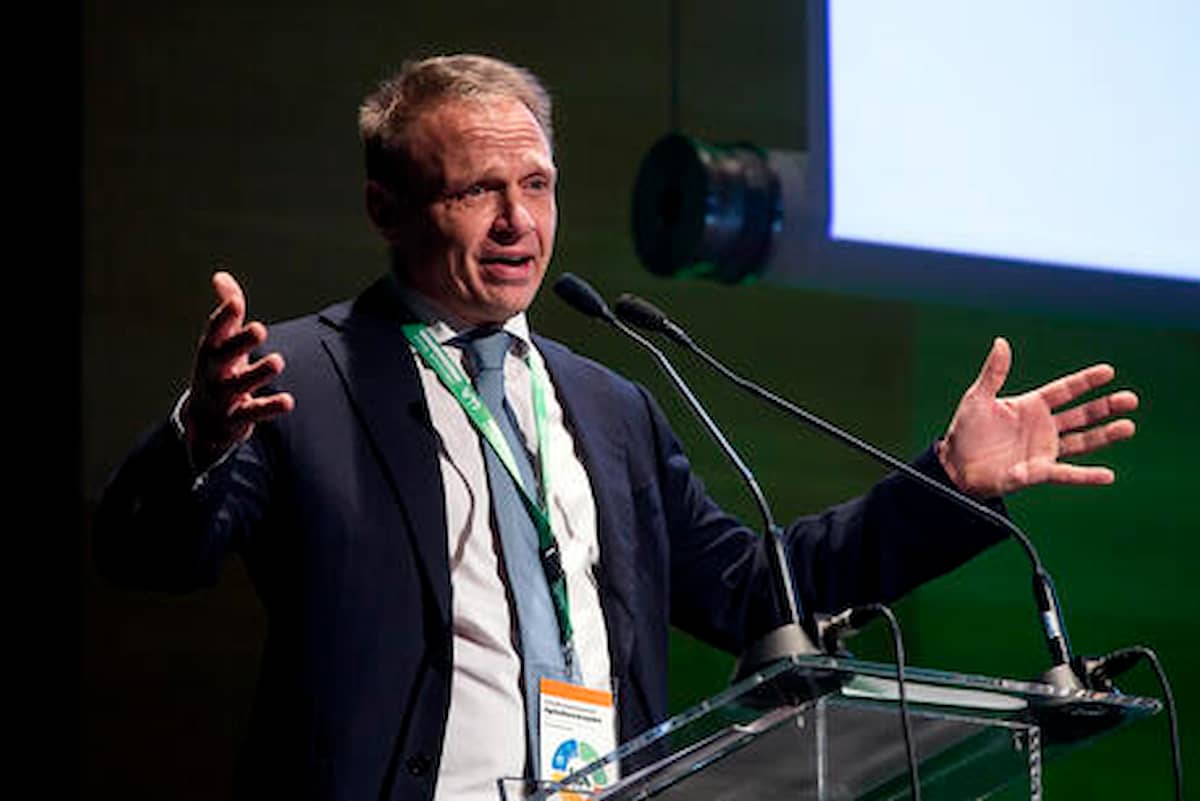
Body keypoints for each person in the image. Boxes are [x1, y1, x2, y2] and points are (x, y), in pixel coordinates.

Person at [92, 54, 1139, 801]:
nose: (519, 221)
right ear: (386, 208)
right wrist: (199, 440)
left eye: (537, 185)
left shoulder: (608, 405)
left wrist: (949, 482)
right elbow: (148, 554)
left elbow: (751, 592)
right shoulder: (299, 379)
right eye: (480, 190)